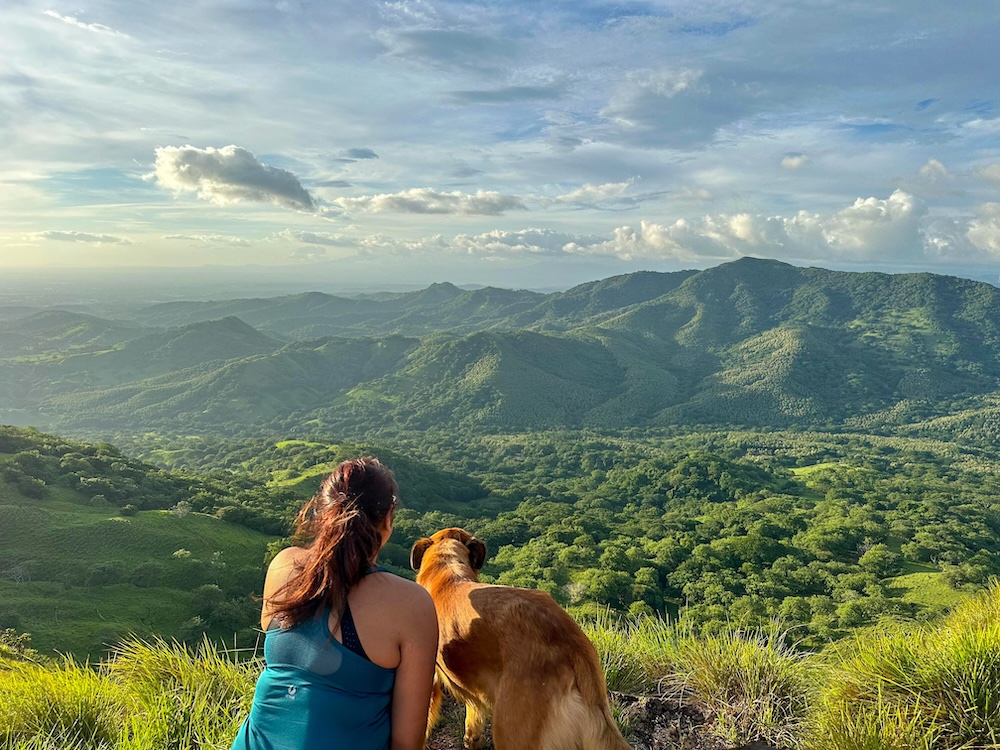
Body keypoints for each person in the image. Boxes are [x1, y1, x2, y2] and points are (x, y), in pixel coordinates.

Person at [232, 456, 438, 750]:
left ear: (323, 510)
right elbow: (406, 742)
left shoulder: (283, 566)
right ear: (389, 517)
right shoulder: (409, 604)